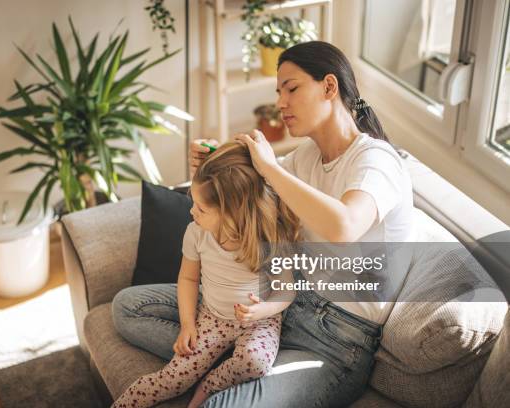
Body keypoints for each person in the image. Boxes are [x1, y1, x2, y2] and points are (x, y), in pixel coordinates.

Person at [113, 41, 415, 407]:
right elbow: (241, 192)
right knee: (128, 307)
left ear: (329, 87)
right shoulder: (307, 156)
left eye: (292, 88)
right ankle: (227, 356)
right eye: (278, 92)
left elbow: (344, 226)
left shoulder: (376, 161)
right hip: (277, 306)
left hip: (336, 338)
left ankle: (230, 364)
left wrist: (270, 167)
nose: (281, 103)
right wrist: (211, 160)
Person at [112, 143, 301, 408]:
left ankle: (211, 382)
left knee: (255, 362)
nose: (192, 212)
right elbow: (188, 279)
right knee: (172, 378)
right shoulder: (196, 232)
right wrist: (188, 325)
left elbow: (286, 290)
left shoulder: (269, 239)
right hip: (212, 317)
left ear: (233, 212)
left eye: (201, 209)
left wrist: (264, 310)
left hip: (259, 322)